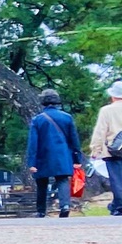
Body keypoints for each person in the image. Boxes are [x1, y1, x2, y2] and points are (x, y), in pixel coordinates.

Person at [27, 89, 82, 217]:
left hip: (43, 155)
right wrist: (77, 159)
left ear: (43, 102)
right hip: (63, 155)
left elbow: (33, 143)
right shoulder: (67, 117)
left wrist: (32, 162)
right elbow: (74, 140)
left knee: (42, 182)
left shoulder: (37, 119)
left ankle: (41, 211)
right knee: (62, 179)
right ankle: (65, 206)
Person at [92, 80, 122, 217]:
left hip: (113, 150)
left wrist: (95, 149)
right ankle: (116, 205)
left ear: (113, 95)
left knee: (116, 180)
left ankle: (119, 206)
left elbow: (100, 131)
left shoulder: (106, 110)